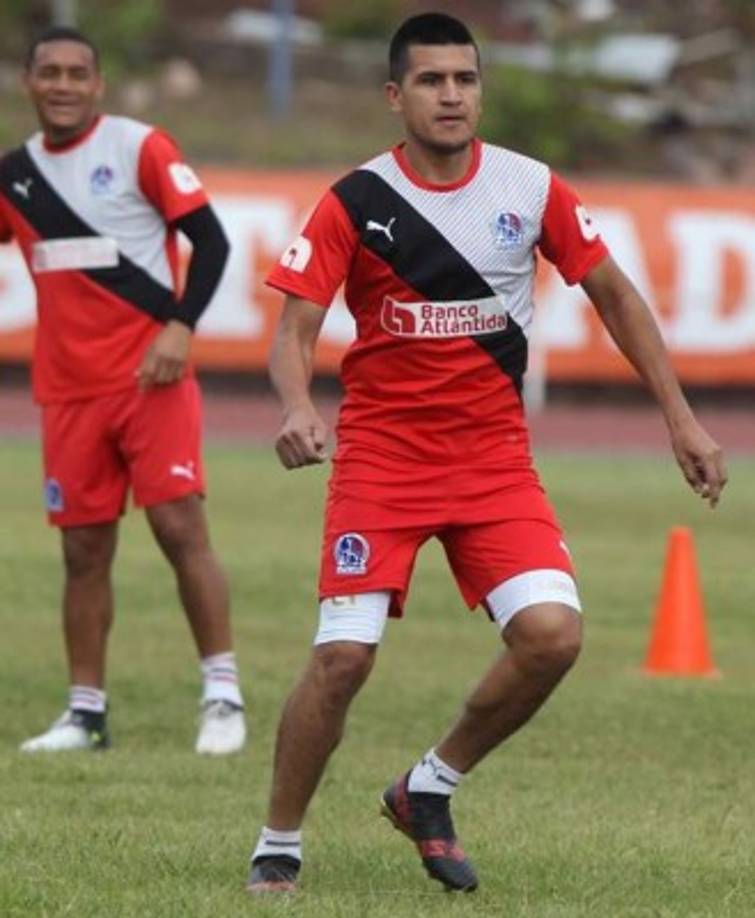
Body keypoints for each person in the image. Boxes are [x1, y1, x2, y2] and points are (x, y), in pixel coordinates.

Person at [246, 12, 727, 894]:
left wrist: (680, 420)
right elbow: (294, 330)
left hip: (493, 464)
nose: (451, 95)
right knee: (344, 658)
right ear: (396, 96)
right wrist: (293, 405)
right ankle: (277, 841)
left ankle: (425, 788)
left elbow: (616, 297)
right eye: (430, 81)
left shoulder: (528, 185)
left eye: (464, 79)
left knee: (553, 636)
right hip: (381, 464)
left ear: (480, 89)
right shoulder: (354, 200)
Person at [0, 27, 247, 756]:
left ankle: (222, 695)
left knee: (179, 531)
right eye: (51, 73)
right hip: (67, 394)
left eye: (79, 72)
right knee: (82, 552)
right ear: (30, 84)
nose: (65, 85)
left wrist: (178, 326)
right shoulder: (15, 175)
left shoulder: (140, 147)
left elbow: (214, 242)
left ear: (98, 84)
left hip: (151, 380)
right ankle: (85, 713)